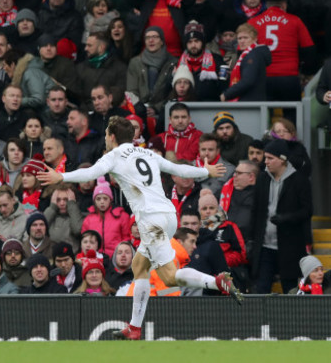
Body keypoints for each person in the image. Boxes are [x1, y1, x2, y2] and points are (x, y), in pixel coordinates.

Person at [38, 116, 242, 340]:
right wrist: (206, 172)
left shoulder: (114, 156)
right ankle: (134, 327)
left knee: (169, 277)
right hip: (168, 214)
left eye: (107, 134)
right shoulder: (147, 153)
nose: (106, 138)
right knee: (139, 265)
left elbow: (90, 174)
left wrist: (61, 176)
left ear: (112, 136)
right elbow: (178, 169)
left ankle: (216, 281)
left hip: (150, 220)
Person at [251, 139, 311, 294]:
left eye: (270, 158)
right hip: (264, 246)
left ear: (283, 159)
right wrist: (251, 240)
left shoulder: (299, 180)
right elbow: (255, 210)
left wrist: (286, 218)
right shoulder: (263, 179)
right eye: (265, 158)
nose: (266, 162)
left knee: (289, 288)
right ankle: (260, 319)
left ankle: (290, 318)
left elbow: (307, 211)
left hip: (289, 246)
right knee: (261, 289)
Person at [248, 0, 316, 103]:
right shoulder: (295, 21)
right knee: (292, 114)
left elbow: (243, 51)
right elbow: (309, 50)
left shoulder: (253, 22)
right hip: (288, 77)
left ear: (266, 5)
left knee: (263, 115)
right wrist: (306, 72)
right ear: (284, 5)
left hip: (262, 78)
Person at [126, 27, 177, 121]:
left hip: (164, 112)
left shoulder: (173, 63)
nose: (151, 40)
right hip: (139, 111)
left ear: (162, 41)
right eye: (147, 37)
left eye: (155, 37)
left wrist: (156, 108)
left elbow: (174, 92)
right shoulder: (135, 62)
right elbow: (131, 91)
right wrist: (140, 107)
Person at [81, 176, 130, 257]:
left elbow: (126, 239)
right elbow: (84, 241)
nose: (102, 202)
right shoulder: (88, 219)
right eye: (98, 199)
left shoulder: (122, 216)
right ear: (94, 201)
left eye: (105, 198)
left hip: (116, 258)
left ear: (110, 200)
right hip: (95, 258)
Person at [221, 23, 271, 102]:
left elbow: (247, 81)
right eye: (239, 38)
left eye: (245, 38)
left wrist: (226, 94)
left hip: (251, 103)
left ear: (255, 39)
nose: (242, 41)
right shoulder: (248, 54)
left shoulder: (252, 55)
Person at [177, 21, 224, 101]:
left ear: (203, 42)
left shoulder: (217, 60)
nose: (193, 45)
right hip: (185, 109)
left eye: (196, 41)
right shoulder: (179, 64)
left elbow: (224, 87)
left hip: (210, 108)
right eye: (190, 42)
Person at [76, 32, 127, 106]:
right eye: (86, 45)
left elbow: (119, 92)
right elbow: (77, 94)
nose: (85, 48)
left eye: (89, 45)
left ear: (101, 48)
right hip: (85, 111)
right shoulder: (80, 68)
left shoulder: (120, 68)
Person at [38, 35, 81, 104]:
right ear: (39, 49)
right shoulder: (33, 65)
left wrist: (57, 85)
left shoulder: (66, 65)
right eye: (45, 46)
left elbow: (73, 94)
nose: (49, 48)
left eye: (52, 46)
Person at [44, 184, 83, 252]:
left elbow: (77, 229)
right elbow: (40, 227)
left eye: (66, 200)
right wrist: (52, 207)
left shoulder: (78, 217)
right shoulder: (50, 216)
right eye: (58, 200)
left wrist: (72, 205)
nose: (62, 203)